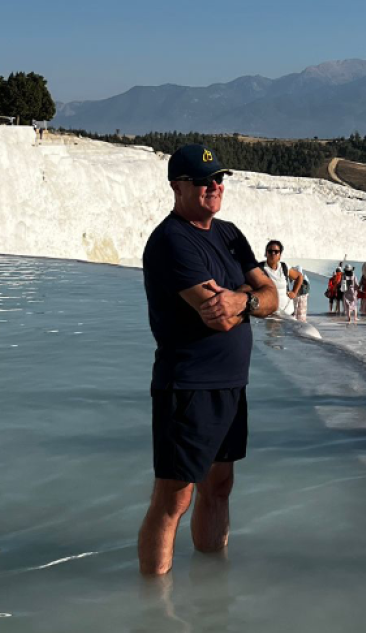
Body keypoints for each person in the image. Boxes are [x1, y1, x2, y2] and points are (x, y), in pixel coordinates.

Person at [138, 143, 278, 576]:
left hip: (231, 384)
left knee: (219, 485)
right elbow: (217, 316)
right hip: (188, 384)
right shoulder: (171, 242)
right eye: (203, 181)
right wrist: (249, 300)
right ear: (177, 187)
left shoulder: (229, 234)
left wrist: (245, 301)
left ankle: (212, 590)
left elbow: (272, 297)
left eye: (219, 179)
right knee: (174, 495)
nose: (214, 187)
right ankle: (153, 604)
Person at [259, 240, 307, 321]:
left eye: (276, 251)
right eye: (270, 251)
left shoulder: (284, 267)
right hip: (269, 314)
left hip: (287, 312)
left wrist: (294, 292)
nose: (273, 254)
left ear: (280, 255)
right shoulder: (259, 268)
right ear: (266, 253)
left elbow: (299, 276)